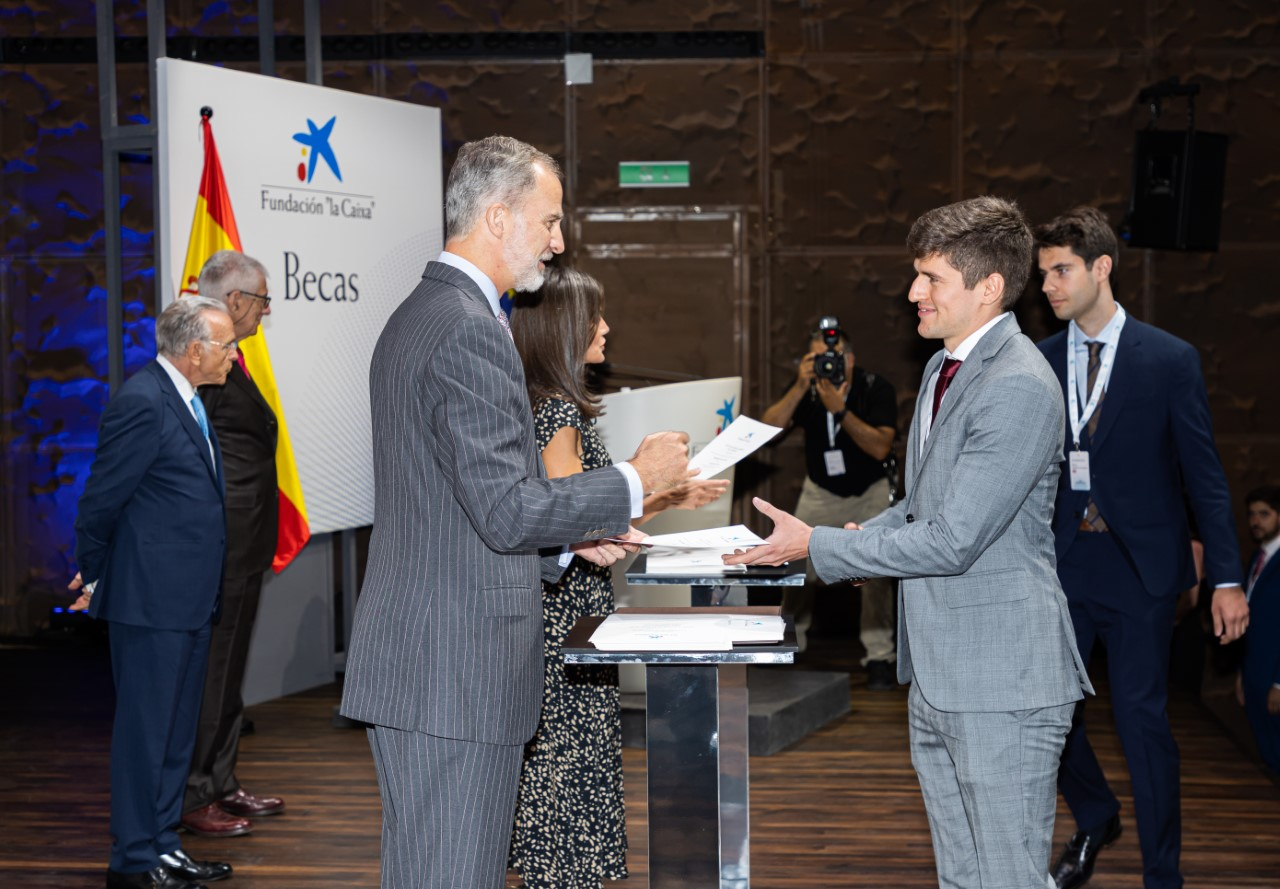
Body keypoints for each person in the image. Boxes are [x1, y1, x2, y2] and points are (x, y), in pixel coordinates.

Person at [338, 135, 692, 889]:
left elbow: (460, 508)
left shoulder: (431, 309)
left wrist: (567, 544)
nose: (558, 243)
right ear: (498, 217)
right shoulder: (467, 326)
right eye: (551, 220)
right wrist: (634, 478)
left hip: (429, 663)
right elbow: (502, 510)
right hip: (452, 672)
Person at [726, 196, 1092, 889]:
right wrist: (860, 535)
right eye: (915, 274)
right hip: (940, 675)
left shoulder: (1016, 383)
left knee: (1007, 878)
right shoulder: (941, 367)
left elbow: (953, 540)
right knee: (962, 878)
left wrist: (823, 546)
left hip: (1001, 682)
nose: (912, 292)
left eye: (931, 278)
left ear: (987, 288)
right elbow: (921, 508)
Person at [1035, 205, 1250, 889]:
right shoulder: (1038, 362)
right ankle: (1096, 812)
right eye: (1043, 275)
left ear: (1102, 268)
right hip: (1063, 564)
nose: (1049, 286)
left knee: (1141, 720)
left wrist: (1226, 577)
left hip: (1139, 571)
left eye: (1061, 270)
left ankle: (1164, 873)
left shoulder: (1167, 358)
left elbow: (1206, 479)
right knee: (1048, 713)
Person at [507, 266, 728, 888]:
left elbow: (587, 516)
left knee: (563, 770)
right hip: (565, 622)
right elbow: (565, 517)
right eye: (596, 317)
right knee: (566, 775)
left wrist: (663, 499)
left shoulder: (545, 403)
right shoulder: (558, 413)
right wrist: (643, 488)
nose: (607, 328)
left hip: (563, 610)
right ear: (563, 328)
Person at [70, 297, 239, 889]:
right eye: (226, 345)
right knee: (145, 736)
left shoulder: (188, 399)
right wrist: (92, 574)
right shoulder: (142, 402)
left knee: (173, 737)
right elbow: (101, 500)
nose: (233, 354)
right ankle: (134, 860)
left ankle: (163, 846)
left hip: (188, 600)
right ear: (195, 351)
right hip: (149, 603)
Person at [180, 251, 286, 838]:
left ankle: (221, 782)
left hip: (244, 544)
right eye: (263, 301)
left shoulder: (232, 360)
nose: (266, 312)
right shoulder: (204, 362)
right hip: (222, 543)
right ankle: (196, 794)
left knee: (230, 669)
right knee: (213, 672)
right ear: (237, 300)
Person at [761, 318, 898, 687]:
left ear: (850, 360)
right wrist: (800, 386)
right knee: (794, 560)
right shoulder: (808, 389)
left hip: (869, 491)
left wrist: (839, 409)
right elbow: (768, 433)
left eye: (833, 358)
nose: (827, 365)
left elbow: (880, 446)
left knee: (875, 570)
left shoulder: (873, 388)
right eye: (818, 358)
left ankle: (880, 655)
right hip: (821, 491)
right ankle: (791, 639)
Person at [1239, 486, 1280, 774]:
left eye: (1264, 514)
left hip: (1276, 677)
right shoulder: (1258, 557)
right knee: (1267, 754)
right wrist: (1242, 673)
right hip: (1255, 672)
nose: (1256, 521)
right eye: (1252, 514)